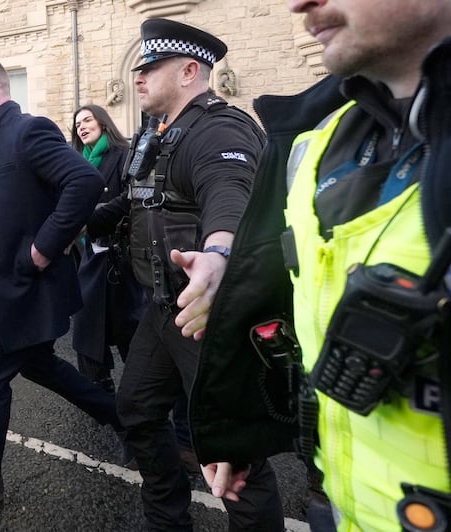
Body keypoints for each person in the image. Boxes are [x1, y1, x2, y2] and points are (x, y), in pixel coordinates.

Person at [191, 1, 451, 530]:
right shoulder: (316, 140)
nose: (299, 3)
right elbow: (294, 298)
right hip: (339, 503)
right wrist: (241, 428)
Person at [87, 19, 284, 530]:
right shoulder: (158, 135)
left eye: (150, 68)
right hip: (163, 308)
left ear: (190, 70)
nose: (139, 77)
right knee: (137, 409)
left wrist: (219, 253)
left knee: (234, 456)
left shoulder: (218, 127)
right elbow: (135, 205)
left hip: (205, 316)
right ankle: (168, 521)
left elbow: (229, 188)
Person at [0, 56, 124, 515]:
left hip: (24, 288)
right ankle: (124, 417)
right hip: (6, 288)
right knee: (39, 364)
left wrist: (43, 248)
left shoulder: (28, 129)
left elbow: (84, 180)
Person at [69, 104, 145, 394]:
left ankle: (142, 388)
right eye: (77, 124)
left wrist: (91, 218)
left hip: (120, 255)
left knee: (130, 324)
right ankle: (98, 387)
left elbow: (131, 198)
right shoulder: (76, 162)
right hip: (90, 253)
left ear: (103, 123)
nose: (82, 126)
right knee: (87, 325)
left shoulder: (123, 156)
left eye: (87, 120)